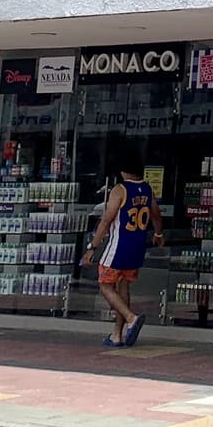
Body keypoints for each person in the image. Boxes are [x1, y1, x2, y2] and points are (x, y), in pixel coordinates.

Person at [81, 143, 163, 347]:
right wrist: (159, 233)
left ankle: (131, 318)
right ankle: (117, 335)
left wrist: (92, 247)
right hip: (136, 249)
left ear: (122, 170)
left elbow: (106, 221)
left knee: (105, 285)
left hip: (117, 247)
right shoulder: (146, 188)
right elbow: (156, 214)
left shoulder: (120, 190)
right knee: (123, 287)